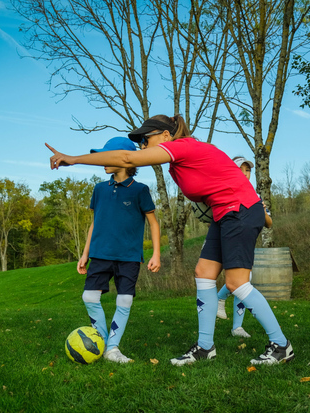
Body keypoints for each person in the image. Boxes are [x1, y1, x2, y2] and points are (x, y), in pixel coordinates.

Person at [47, 115, 294, 366]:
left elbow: (126, 158)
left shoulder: (183, 146)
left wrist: (74, 158)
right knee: (204, 273)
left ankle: (281, 345)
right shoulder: (178, 164)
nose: (142, 145)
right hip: (225, 214)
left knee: (236, 283)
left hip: (238, 211)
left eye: (146, 138)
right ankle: (205, 347)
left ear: (166, 136)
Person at [76, 137, 161, 364]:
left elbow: (153, 223)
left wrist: (156, 254)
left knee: (124, 301)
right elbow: (95, 222)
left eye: (107, 156)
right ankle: (103, 341)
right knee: (89, 297)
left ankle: (112, 349)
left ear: (123, 158)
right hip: (100, 254)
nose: (102, 161)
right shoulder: (99, 189)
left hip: (129, 257)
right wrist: (85, 254)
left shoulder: (140, 190)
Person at [215, 156, 273, 339]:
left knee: (243, 281)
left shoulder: (255, 196)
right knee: (242, 280)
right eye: (241, 169)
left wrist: (261, 210)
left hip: (247, 242)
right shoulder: (225, 191)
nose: (245, 173)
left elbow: (270, 223)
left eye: (248, 170)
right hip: (229, 239)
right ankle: (220, 299)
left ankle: (237, 326)